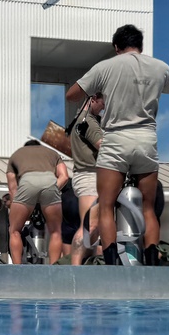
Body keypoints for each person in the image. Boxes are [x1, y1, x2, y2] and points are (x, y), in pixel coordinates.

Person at [66, 24, 169, 266]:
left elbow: (72, 95)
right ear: (141, 46)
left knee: (106, 206)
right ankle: (150, 262)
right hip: (147, 140)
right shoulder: (160, 67)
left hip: (115, 140)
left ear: (116, 47)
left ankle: (112, 262)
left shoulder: (106, 66)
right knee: (148, 207)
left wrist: (96, 87)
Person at [6, 140, 70, 264]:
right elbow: (64, 176)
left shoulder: (17, 154)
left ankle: (17, 268)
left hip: (27, 183)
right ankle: (54, 268)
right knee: (56, 231)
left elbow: (12, 188)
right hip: (50, 181)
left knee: (14, 231)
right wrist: (52, 189)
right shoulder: (52, 153)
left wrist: (18, 206)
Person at [68, 94, 105, 265]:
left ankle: (84, 269)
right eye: (103, 102)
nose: (105, 107)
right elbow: (104, 146)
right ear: (93, 99)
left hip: (86, 176)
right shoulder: (88, 121)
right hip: (90, 176)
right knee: (90, 227)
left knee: (93, 231)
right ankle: (75, 272)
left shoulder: (79, 120)